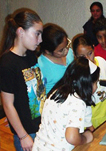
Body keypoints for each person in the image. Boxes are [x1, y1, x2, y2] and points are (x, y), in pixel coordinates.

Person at [0, 8, 44, 151]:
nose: (40, 40)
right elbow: (8, 105)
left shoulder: (31, 55)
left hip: (40, 127)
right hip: (26, 133)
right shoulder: (7, 63)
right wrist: (23, 135)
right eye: (37, 34)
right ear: (20, 32)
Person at [32, 57, 99, 150]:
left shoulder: (57, 91)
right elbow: (72, 137)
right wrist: (86, 138)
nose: (97, 86)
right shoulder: (78, 103)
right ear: (87, 84)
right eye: (96, 82)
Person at [72, 34, 106, 129]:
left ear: (93, 48)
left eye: (90, 53)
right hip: (86, 115)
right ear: (75, 55)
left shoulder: (101, 62)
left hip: (103, 110)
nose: (88, 60)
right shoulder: (76, 72)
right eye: (82, 56)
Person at [38, 23, 74, 94]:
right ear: (48, 51)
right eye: (61, 50)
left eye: (67, 45)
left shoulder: (70, 53)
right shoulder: (40, 66)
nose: (66, 50)